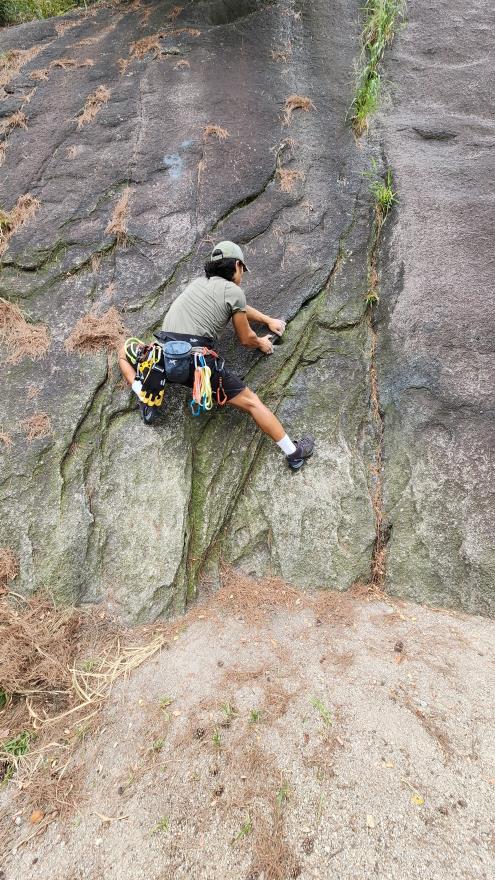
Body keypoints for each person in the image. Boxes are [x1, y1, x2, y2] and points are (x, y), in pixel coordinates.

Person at [118, 241, 314, 470]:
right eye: (243, 269)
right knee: (252, 403)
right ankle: (294, 453)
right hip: (199, 366)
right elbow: (245, 338)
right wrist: (261, 342)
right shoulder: (234, 292)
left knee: (123, 352)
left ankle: (143, 392)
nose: (242, 274)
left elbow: (239, 307)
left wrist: (267, 320)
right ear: (237, 265)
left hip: (163, 359)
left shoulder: (197, 284)